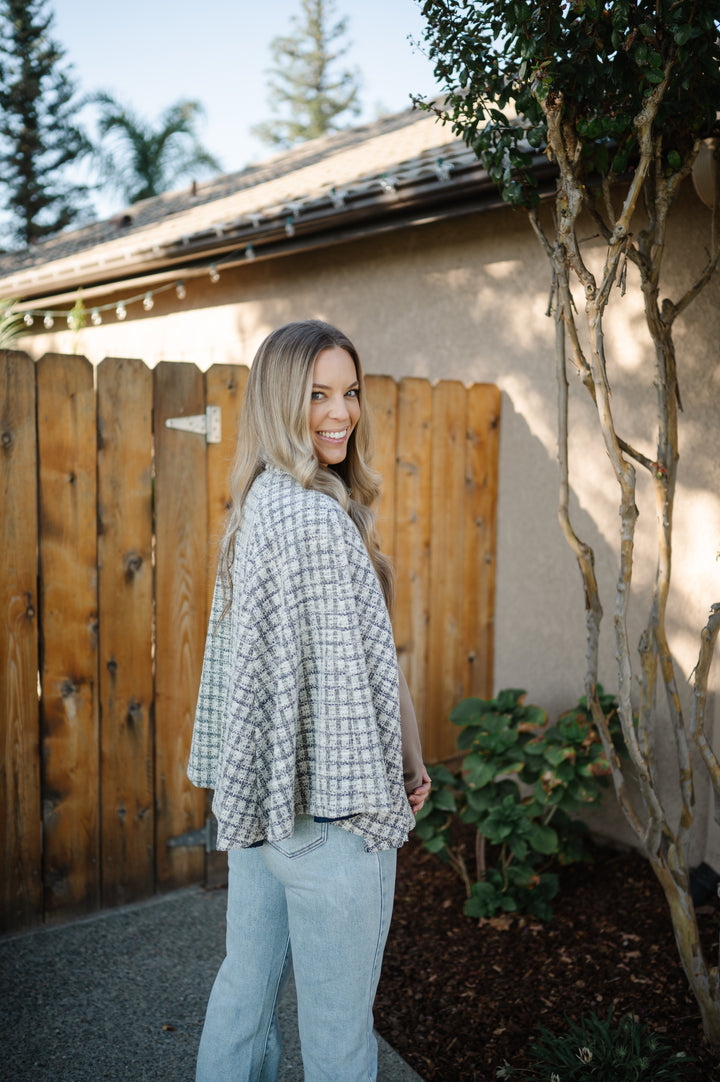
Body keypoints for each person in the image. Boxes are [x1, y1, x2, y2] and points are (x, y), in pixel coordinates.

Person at [187, 319, 431, 1082]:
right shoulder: (319, 518)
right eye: (317, 394)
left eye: (350, 392)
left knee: (244, 996)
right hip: (333, 819)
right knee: (340, 1041)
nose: (340, 413)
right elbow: (368, 676)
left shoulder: (259, 502)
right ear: (278, 401)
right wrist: (410, 767)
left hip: (265, 811)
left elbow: (245, 668)